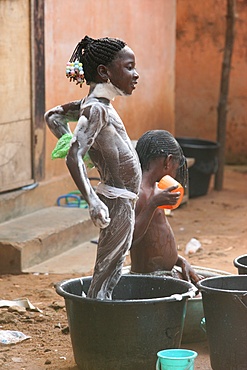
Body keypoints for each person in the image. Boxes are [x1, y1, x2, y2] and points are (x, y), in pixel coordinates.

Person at [44, 36, 141, 299]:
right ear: (104, 72)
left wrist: (82, 147)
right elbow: (73, 155)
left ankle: (99, 316)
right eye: (129, 67)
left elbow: (53, 116)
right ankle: (98, 323)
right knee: (107, 271)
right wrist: (93, 201)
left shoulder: (97, 106)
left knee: (112, 268)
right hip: (116, 201)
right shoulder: (96, 109)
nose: (136, 74)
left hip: (121, 200)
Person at [130, 130, 201, 284]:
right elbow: (130, 240)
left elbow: (157, 237)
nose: (174, 175)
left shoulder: (155, 189)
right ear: (168, 161)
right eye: (175, 169)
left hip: (165, 273)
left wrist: (181, 262)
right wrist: (153, 204)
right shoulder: (140, 194)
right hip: (149, 280)